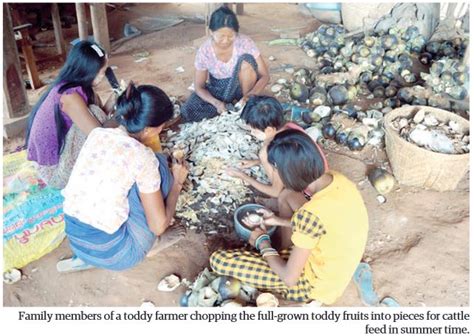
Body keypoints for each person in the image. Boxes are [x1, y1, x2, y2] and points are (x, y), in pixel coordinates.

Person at [211, 130, 368, 305]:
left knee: (218, 260)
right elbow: (321, 224)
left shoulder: (310, 215)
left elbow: (289, 278)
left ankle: (283, 259)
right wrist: (278, 221)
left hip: (315, 284)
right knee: (286, 195)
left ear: (289, 174)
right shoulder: (338, 179)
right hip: (336, 259)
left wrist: (262, 243)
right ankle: (285, 252)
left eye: (276, 170)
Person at [59, 83, 188, 272]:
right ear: (151, 130)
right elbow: (158, 226)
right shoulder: (143, 157)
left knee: (138, 177)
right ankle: (150, 246)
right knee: (161, 169)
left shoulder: (98, 134)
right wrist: (177, 183)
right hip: (118, 254)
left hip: (77, 240)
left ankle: (87, 257)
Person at [26, 40, 116, 189]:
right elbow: (100, 135)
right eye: (100, 73)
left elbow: (97, 120)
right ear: (86, 71)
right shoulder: (69, 96)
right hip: (55, 174)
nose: (102, 77)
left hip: (59, 159)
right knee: (97, 115)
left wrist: (114, 98)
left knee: (95, 108)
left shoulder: (70, 85)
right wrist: (121, 115)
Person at [226, 95, 329, 198]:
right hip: (322, 177)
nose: (252, 133)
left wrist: (244, 177)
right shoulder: (290, 127)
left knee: (284, 195)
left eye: (254, 130)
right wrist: (257, 162)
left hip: (312, 194)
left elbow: (276, 192)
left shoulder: (274, 149)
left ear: (269, 130)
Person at [181, 6, 270, 122]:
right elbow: (199, 87)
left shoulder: (245, 43)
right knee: (189, 109)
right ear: (211, 32)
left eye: (231, 36)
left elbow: (265, 75)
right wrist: (216, 103)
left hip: (243, 87)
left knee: (246, 60)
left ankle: (246, 106)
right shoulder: (205, 51)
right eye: (221, 36)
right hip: (219, 90)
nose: (226, 40)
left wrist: (250, 95)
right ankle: (227, 107)